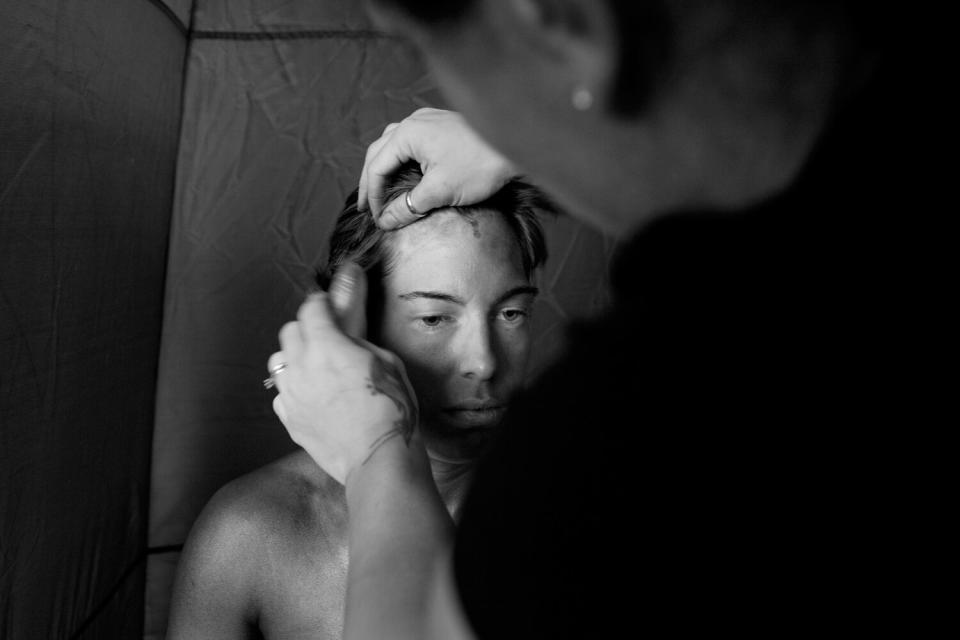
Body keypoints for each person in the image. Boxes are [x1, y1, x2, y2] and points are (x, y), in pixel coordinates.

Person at [268, 1, 920, 638]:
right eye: (434, 317)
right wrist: (538, 133)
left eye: (425, 50)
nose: (486, 359)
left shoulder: (620, 442)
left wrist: (378, 451)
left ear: (563, 22)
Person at [166, 164, 555, 639]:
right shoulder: (249, 536)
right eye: (434, 318)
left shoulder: (592, 509)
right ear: (356, 325)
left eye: (512, 313)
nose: (484, 362)